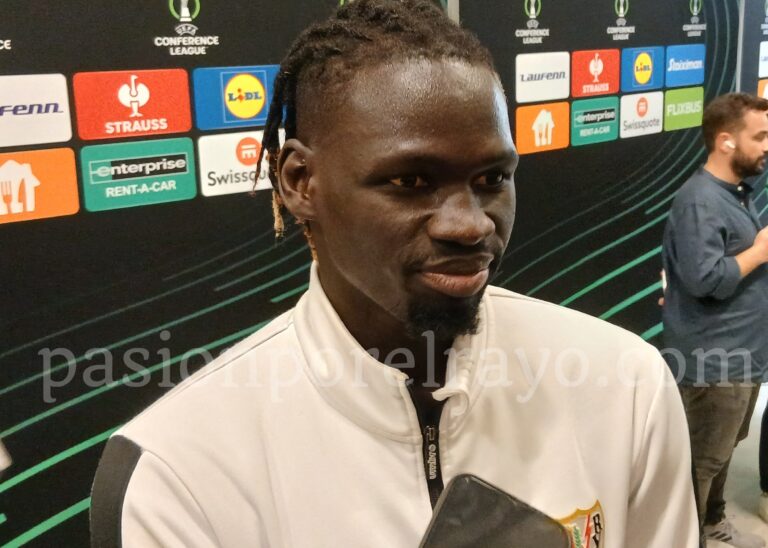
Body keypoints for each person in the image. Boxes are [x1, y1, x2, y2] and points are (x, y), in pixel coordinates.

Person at [90, 1, 698, 546]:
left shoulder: (627, 384)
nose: (470, 225)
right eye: (410, 181)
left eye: (492, 179)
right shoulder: (177, 472)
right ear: (300, 182)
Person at [662, 92, 768, 548]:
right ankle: (684, 538)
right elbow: (704, 279)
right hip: (714, 361)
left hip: (742, 356)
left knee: (722, 452)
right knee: (701, 460)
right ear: (725, 142)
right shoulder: (700, 202)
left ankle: (711, 520)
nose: (767, 146)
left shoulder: (735, 194)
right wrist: (760, 251)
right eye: (759, 136)